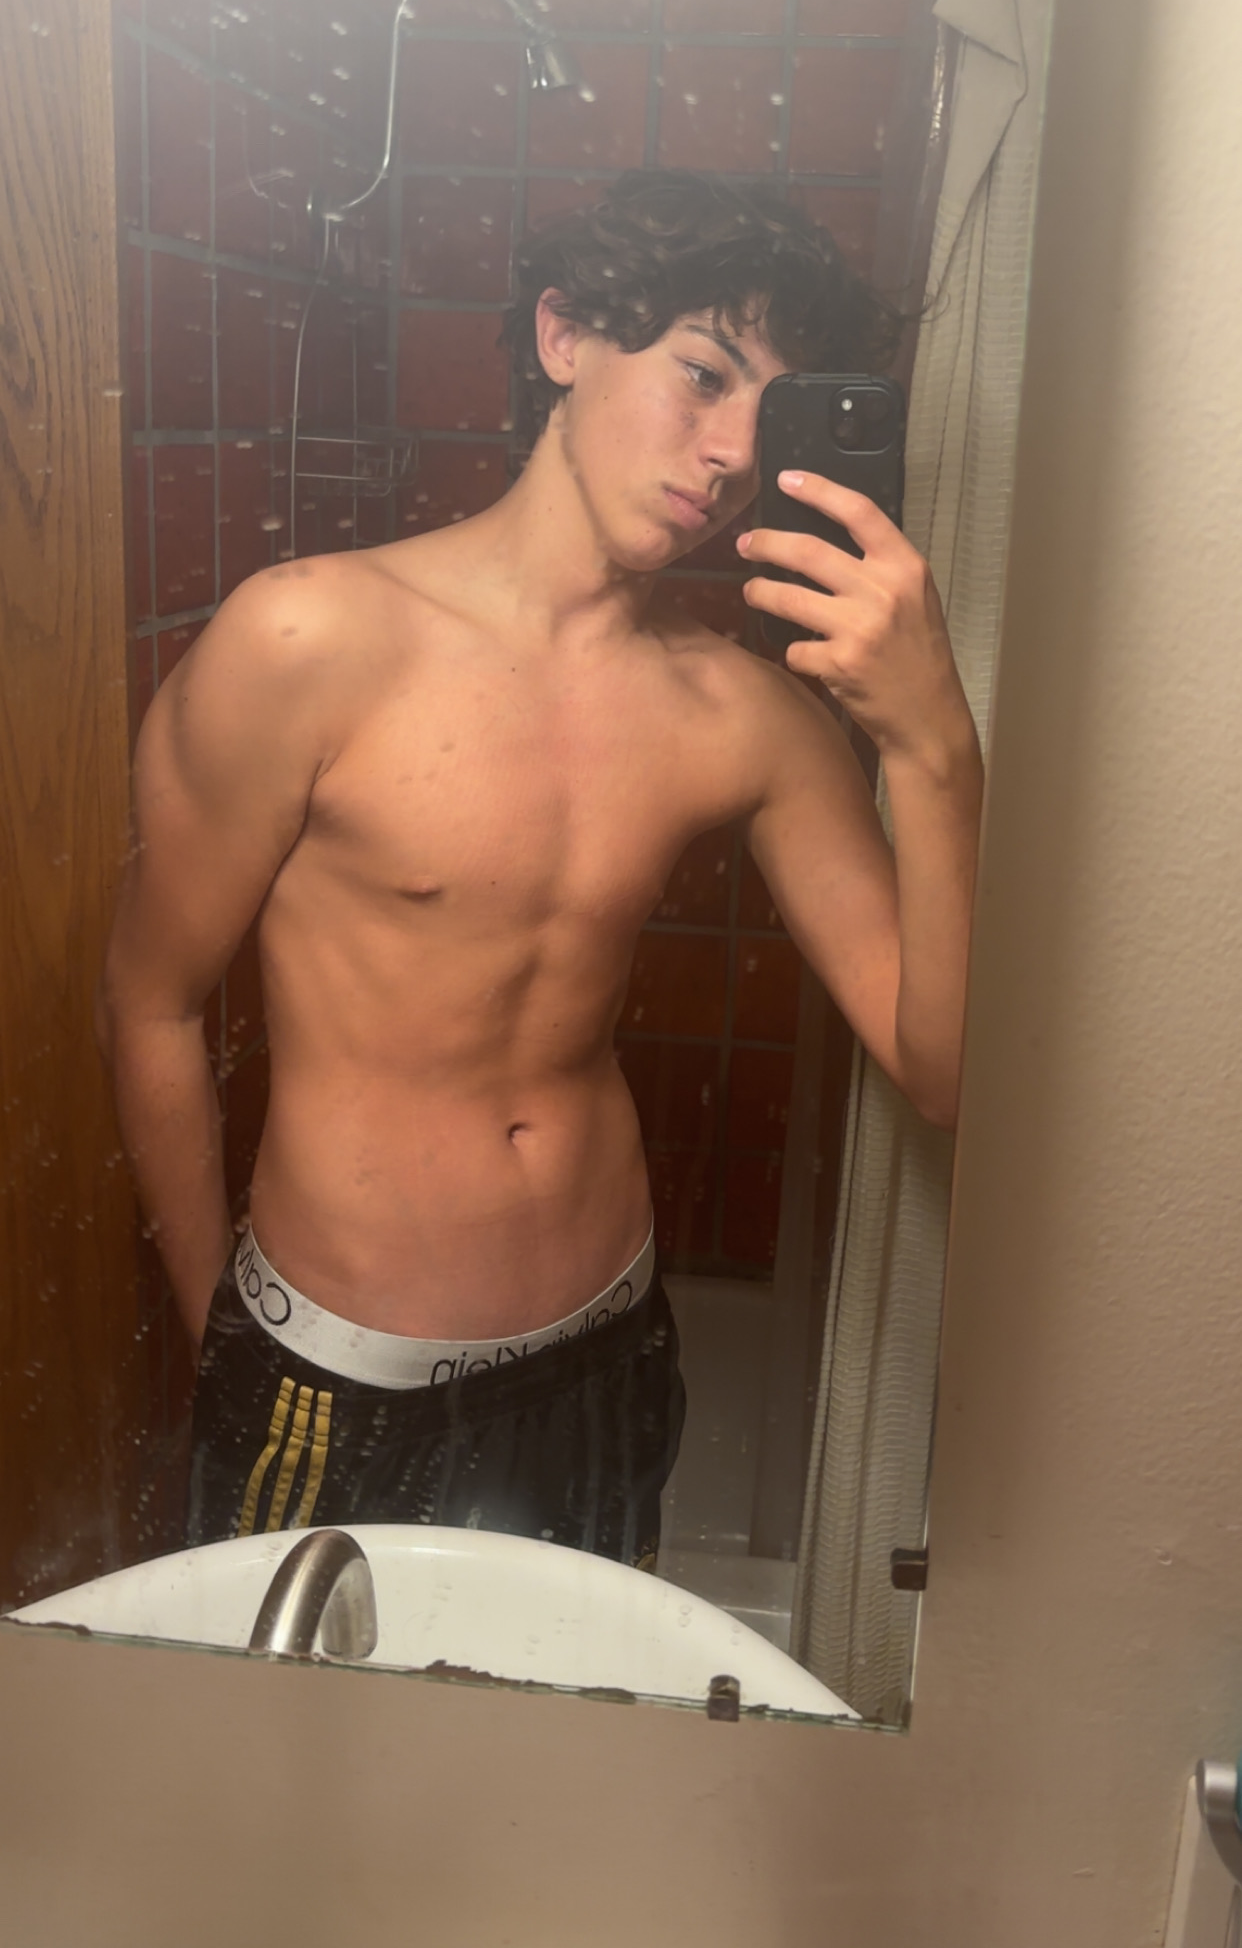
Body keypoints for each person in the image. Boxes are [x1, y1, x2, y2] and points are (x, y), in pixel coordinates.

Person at [98, 170, 982, 1568]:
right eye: (702, 374)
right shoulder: (309, 639)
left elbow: (943, 1068)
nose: (727, 454)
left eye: (768, 417)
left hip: (604, 1353)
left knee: (576, 1711)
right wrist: (226, 1333)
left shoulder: (742, 715)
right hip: (335, 1364)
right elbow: (151, 1001)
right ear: (564, 338)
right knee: (290, 1719)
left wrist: (934, 747)